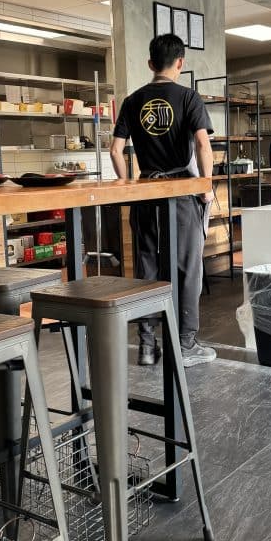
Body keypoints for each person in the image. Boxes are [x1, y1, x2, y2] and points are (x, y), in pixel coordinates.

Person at [110, 33, 217, 367]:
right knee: (187, 269)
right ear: (180, 63)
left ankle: (146, 346)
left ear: (150, 64)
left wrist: (129, 185)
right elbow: (202, 145)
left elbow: (115, 149)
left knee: (147, 268)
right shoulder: (189, 97)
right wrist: (206, 186)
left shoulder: (132, 100)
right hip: (182, 194)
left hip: (145, 194)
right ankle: (185, 346)